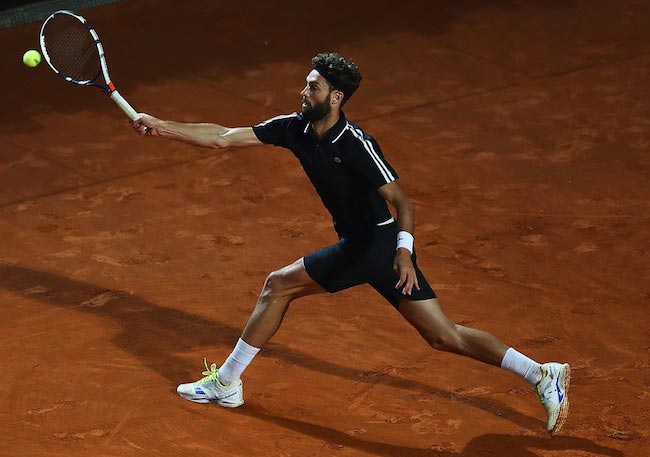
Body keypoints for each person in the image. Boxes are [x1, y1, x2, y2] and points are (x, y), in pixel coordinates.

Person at [131, 52, 570, 435]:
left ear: (335, 96)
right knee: (443, 336)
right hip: (370, 250)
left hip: (375, 247)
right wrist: (162, 127)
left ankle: (227, 383)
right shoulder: (293, 129)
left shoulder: (356, 143)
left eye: (313, 86)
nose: (303, 91)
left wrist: (403, 251)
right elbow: (223, 137)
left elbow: (402, 201)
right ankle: (540, 372)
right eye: (306, 84)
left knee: (277, 286)